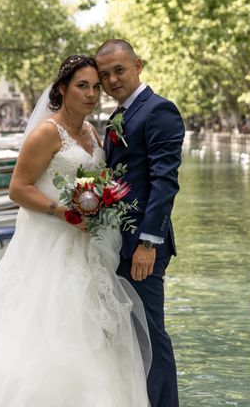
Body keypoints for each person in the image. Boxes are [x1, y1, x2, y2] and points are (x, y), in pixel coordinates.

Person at [0, 55, 151, 406]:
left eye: (96, 87)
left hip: (89, 247)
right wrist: (62, 211)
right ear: (62, 90)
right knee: (46, 333)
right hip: (51, 245)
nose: (91, 94)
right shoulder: (46, 132)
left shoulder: (91, 133)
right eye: (82, 86)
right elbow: (18, 188)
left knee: (93, 337)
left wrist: (101, 204)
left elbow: (96, 183)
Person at [96, 39, 184, 407]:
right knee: (129, 336)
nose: (113, 79)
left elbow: (165, 182)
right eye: (105, 75)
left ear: (138, 65)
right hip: (117, 243)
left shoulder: (159, 110)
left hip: (142, 247)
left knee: (150, 334)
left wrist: (148, 243)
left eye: (119, 70)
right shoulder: (121, 113)